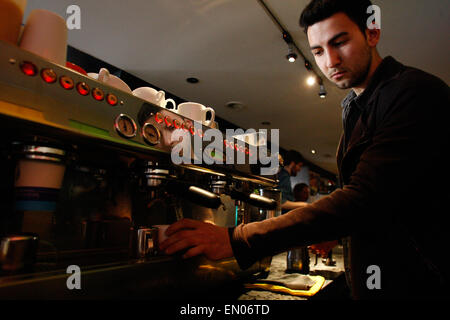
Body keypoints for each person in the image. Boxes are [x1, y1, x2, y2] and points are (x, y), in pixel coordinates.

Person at [160, 0, 450, 299]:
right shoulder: (354, 106)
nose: (330, 61)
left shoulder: (414, 92)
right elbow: (385, 204)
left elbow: (365, 199)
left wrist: (238, 239)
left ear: (372, 33)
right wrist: (336, 231)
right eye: (318, 51)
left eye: (340, 42)